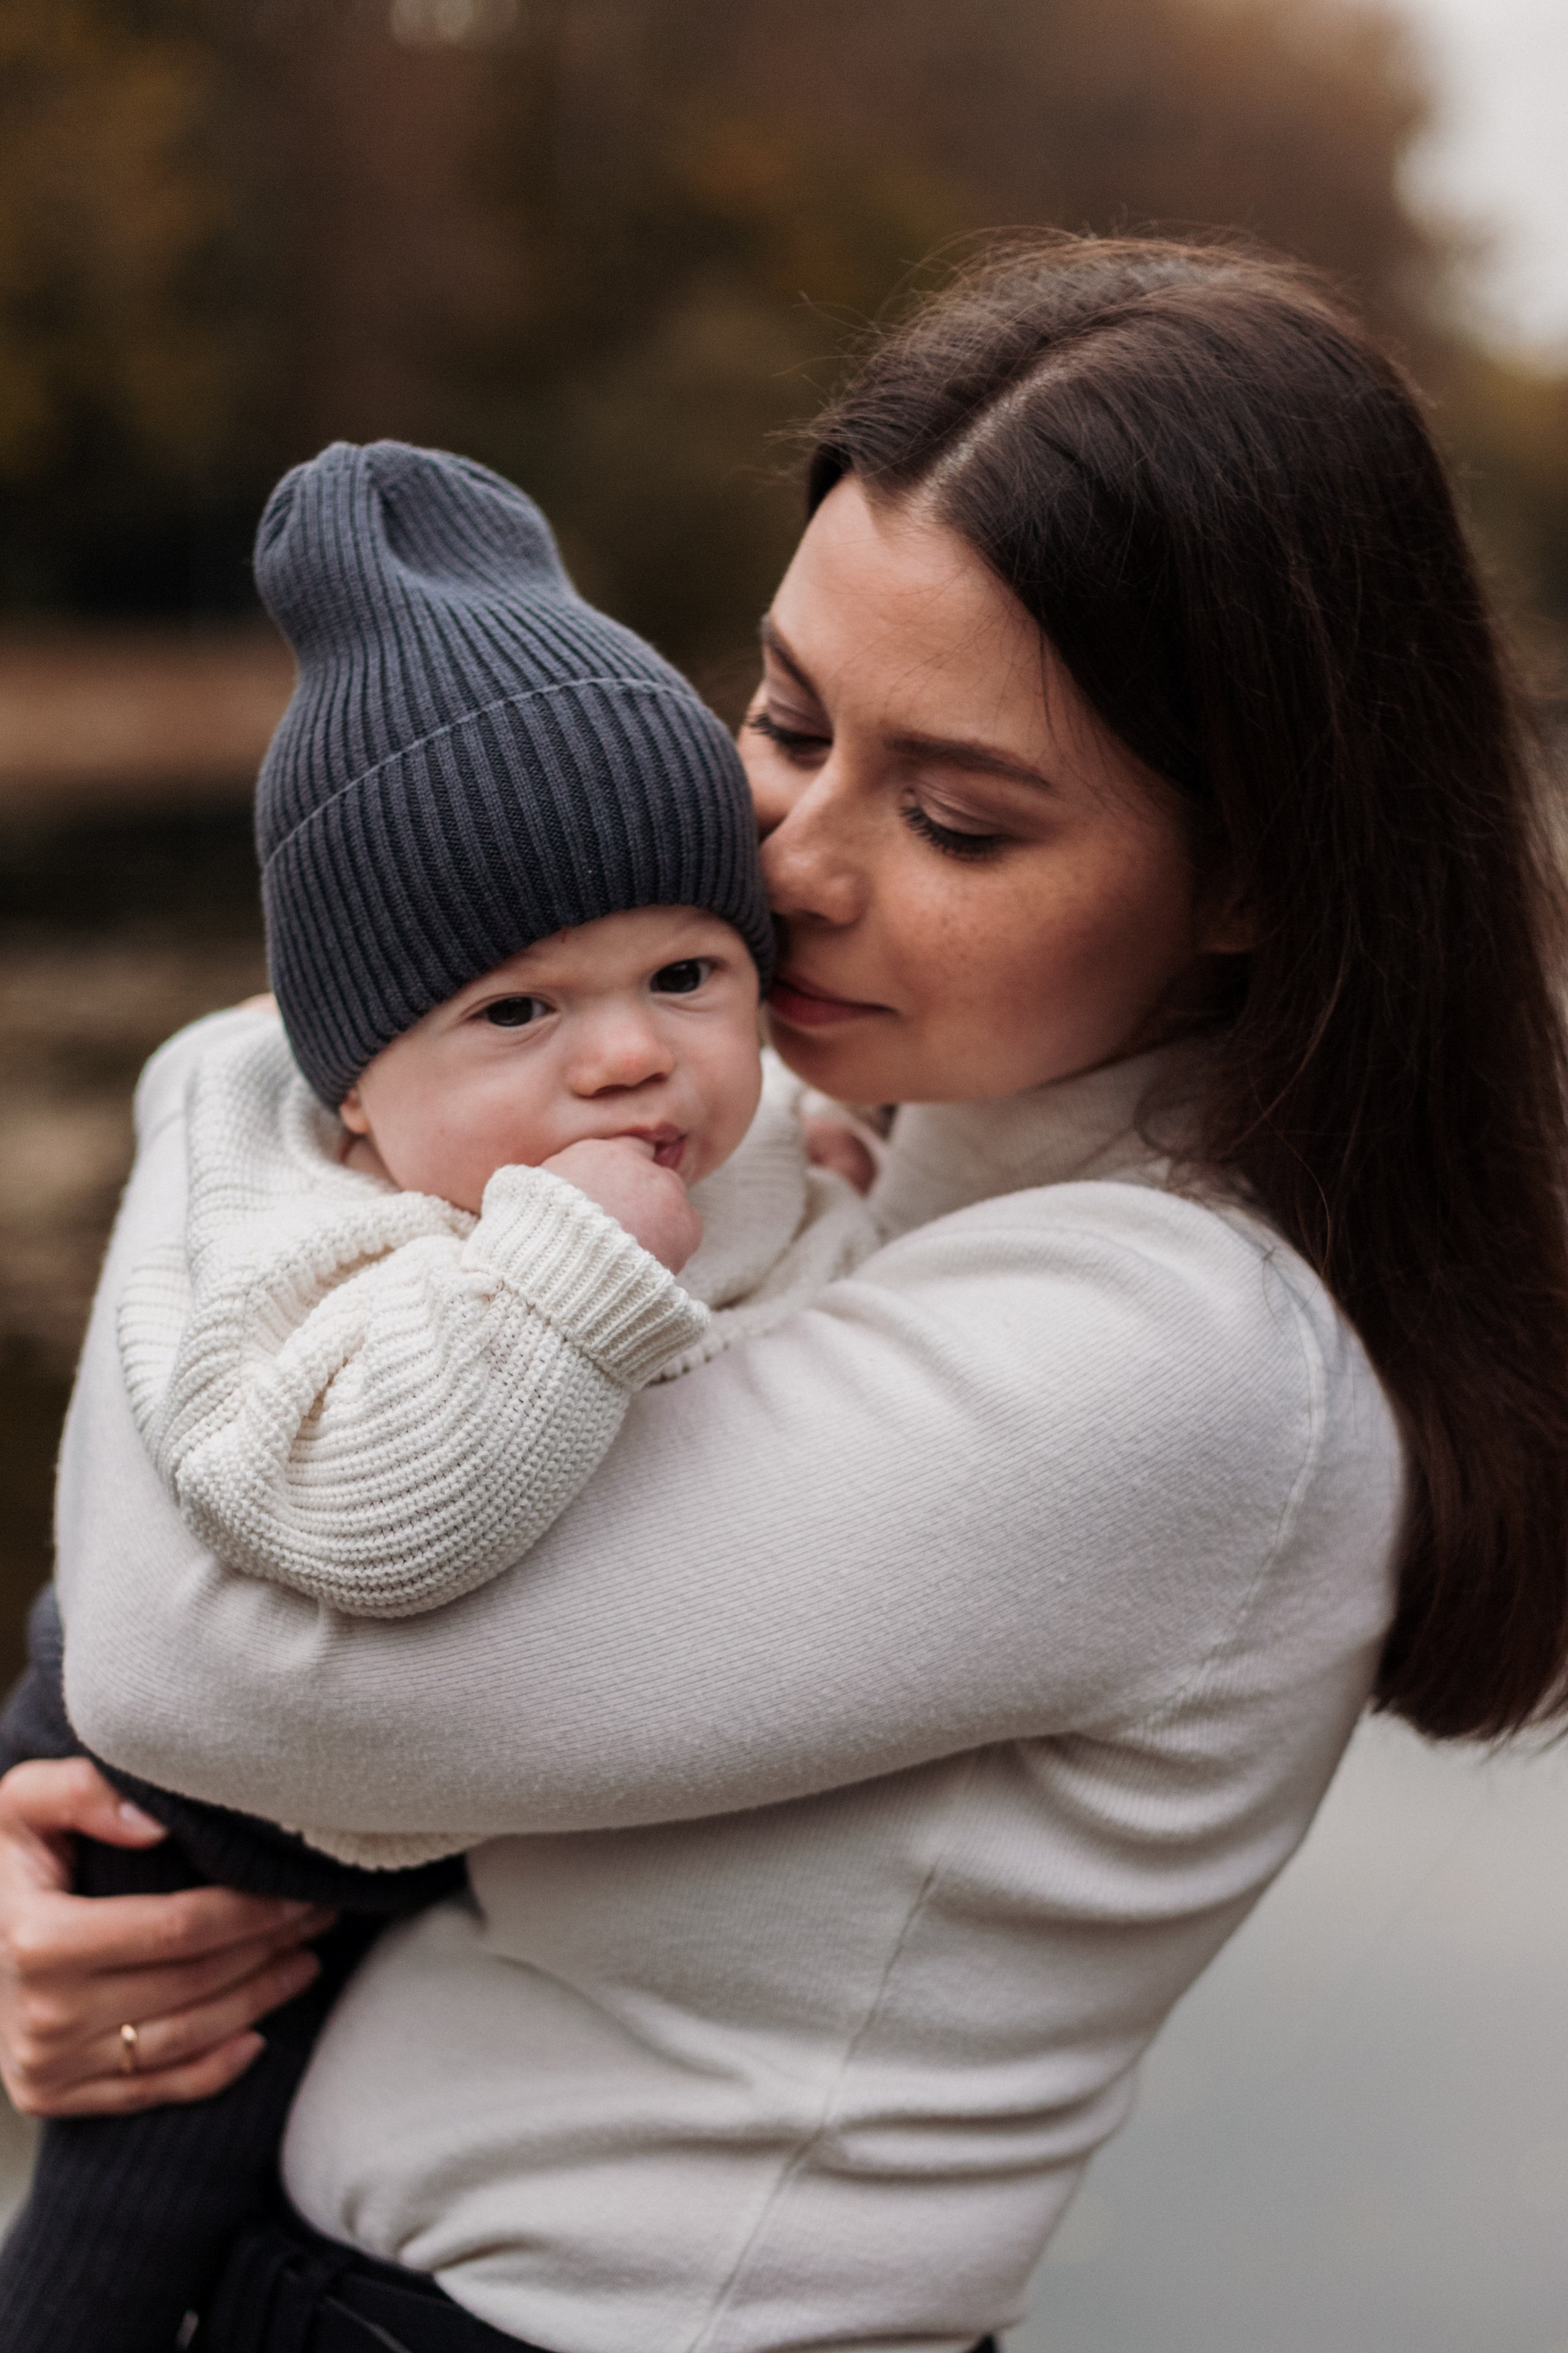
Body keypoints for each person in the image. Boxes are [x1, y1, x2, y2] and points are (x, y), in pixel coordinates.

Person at [2, 233, 1567, 2353]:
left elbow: (228, 1671)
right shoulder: (839, 1140)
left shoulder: (1179, 1363)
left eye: (950, 813)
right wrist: (85, 1862)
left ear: (1260, 870)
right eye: (786, 714)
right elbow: (272, 1596)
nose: (799, 856)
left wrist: (262, 1066)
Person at [0, 438, 874, 2348]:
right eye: (519, 1011)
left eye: (689, 967)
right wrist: (573, 1275)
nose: (630, 1056)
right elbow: (361, 1518)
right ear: (360, 1095)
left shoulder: (674, 1130)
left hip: (410, 1862)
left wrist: (825, 1156)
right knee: (127, 2209)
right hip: (172, 1815)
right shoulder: (332, 1243)